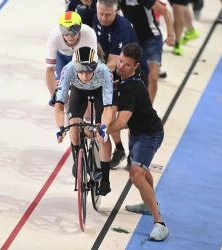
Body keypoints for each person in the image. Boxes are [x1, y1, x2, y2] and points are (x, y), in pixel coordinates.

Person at [103, 42, 168, 241]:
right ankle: (150, 204)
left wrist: (101, 130)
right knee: (142, 170)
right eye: (120, 61)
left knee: (136, 174)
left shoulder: (130, 88)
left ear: (136, 66)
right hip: (138, 133)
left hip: (149, 134)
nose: (120, 66)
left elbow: (121, 121)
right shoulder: (127, 79)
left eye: (126, 65)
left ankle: (160, 224)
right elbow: (116, 85)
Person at [93, 0, 149, 170]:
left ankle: (134, 154)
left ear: (116, 11)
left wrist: (90, 74)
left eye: (108, 15)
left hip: (133, 75)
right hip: (114, 73)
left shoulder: (122, 29)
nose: (103, 18)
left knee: (131, 117)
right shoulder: (97, 18)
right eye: (101, 13)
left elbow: (112, 63)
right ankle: (118, 149)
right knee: (107, 111)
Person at [55, 46, 113, 196]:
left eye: (88, 71)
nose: (85, 77)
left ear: (95, 67)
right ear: (75, 68)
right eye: (81, 71)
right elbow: (60, 105)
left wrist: (104, 128)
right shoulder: (68, 70)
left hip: (99, 92)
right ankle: (78, 161)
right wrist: (60, 128)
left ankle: (105, 179)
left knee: (101, 133)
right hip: (78, 91)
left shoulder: (104, 71)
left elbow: (108, 108)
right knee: (73, 126)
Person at [117, 0, 175, 103]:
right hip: (134, 40)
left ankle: (148, 109)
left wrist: (170, 34)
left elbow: (165, 12)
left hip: (151, 39)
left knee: (152, 77)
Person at [46, 11, 98, 104]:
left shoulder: (89, 33)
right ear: (60, 30)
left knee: (84, 95)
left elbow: (92, 65)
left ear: (80, 28)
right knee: (61, 97)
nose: (70, 36)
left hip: (82, 59)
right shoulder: (54, 36)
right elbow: (49, 70)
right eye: (65, 32)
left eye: (74, 30)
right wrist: (53, 95)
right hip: (62, 58)